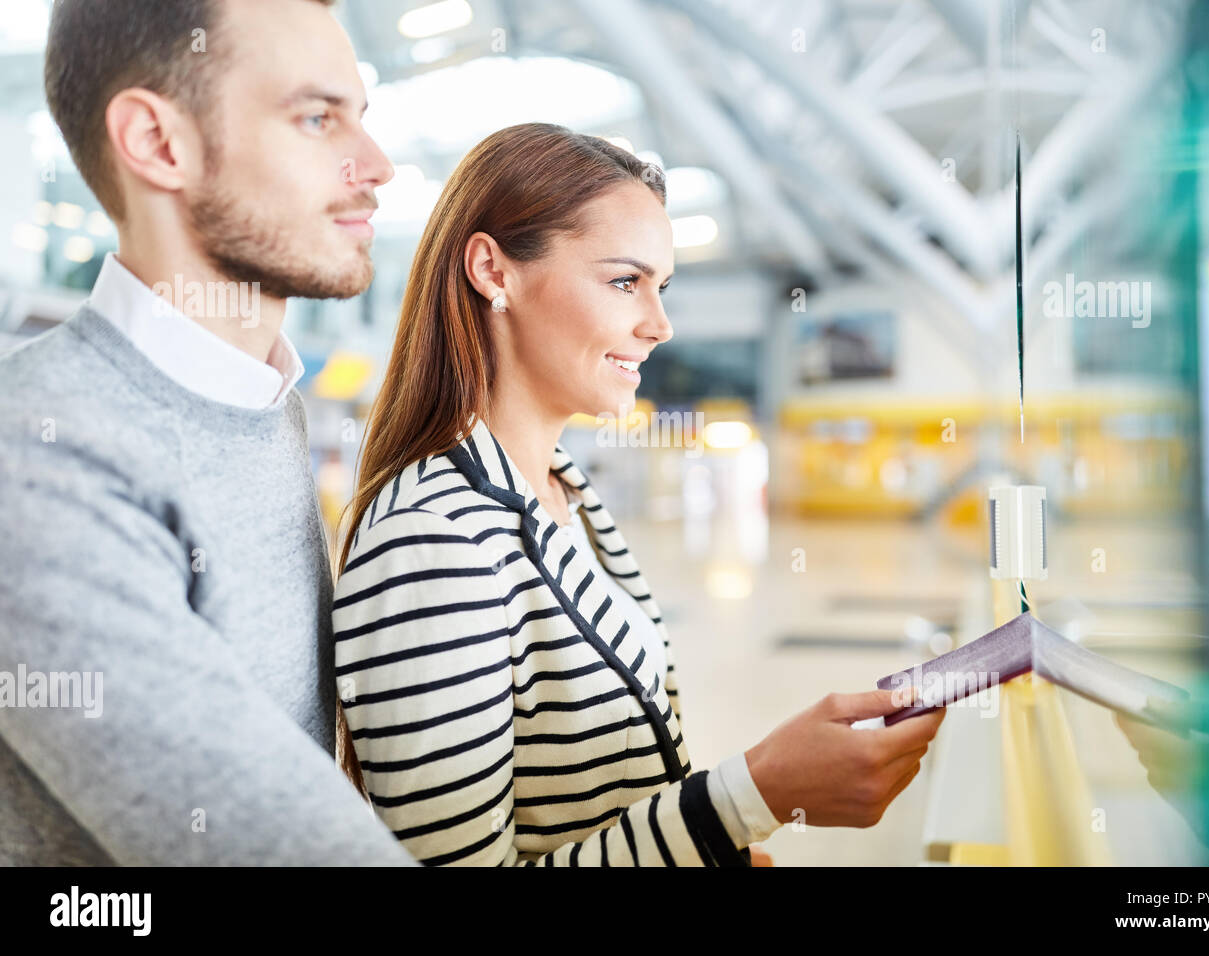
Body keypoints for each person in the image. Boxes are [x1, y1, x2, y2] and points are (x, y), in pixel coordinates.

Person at [332, 122, 946, 866]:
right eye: (625, 282)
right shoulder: (434, 540)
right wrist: (752, 798)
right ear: (494, 271)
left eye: (662, 287)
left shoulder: (562, 488)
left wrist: (721, 844)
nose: (659, 325)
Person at [0, 0, 417, 865]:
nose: (375, 166)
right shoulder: (34, 459)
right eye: (317, 118)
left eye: (361, 118)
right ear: (157, 142)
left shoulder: (265, 401)